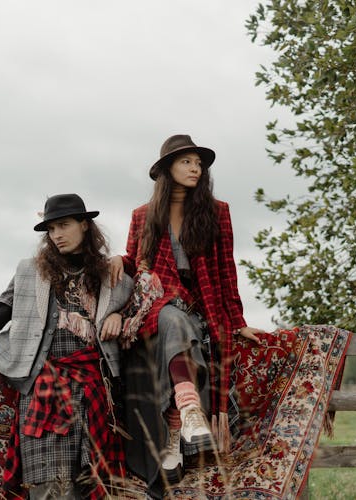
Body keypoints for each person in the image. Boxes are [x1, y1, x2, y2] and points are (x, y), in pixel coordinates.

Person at [0, 193, 134, 499]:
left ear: (85, 225)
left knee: (93, 486)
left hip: (94, 393)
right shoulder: (30, 272)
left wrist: (118, 315)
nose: (57, 234)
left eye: (64, 225)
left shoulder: (114, 276)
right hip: (45, 390)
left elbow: (145, 307)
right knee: (49, 489)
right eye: (51, 229)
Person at [108, 135, 264, 491]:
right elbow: (138, 264)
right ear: (168, 169)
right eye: (187, 162)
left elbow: (227, 270)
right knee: (170, 316)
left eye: (199, 164)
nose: (195, 168)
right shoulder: (143, 216)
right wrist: (120, 258)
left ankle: (175, 434)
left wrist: (236, 322)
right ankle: (190, 411)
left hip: (200, 307)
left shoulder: (217, 211)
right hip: (157, 308)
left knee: (181, 325)